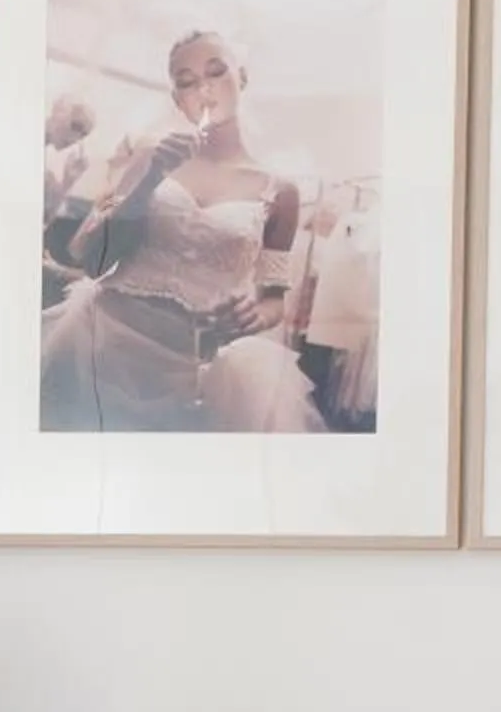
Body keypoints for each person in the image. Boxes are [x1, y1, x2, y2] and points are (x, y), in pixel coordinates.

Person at [40, 30, 323, 433]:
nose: (203, 88)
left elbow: (274, 300)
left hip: (198, 368)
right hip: (103, 343)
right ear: (177, 99)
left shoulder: (280, 190)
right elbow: (94, 259)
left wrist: (256, 314)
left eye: (216, 72)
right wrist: (152, 177)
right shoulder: (149, 155)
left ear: (240, 79)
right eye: (186, 81)